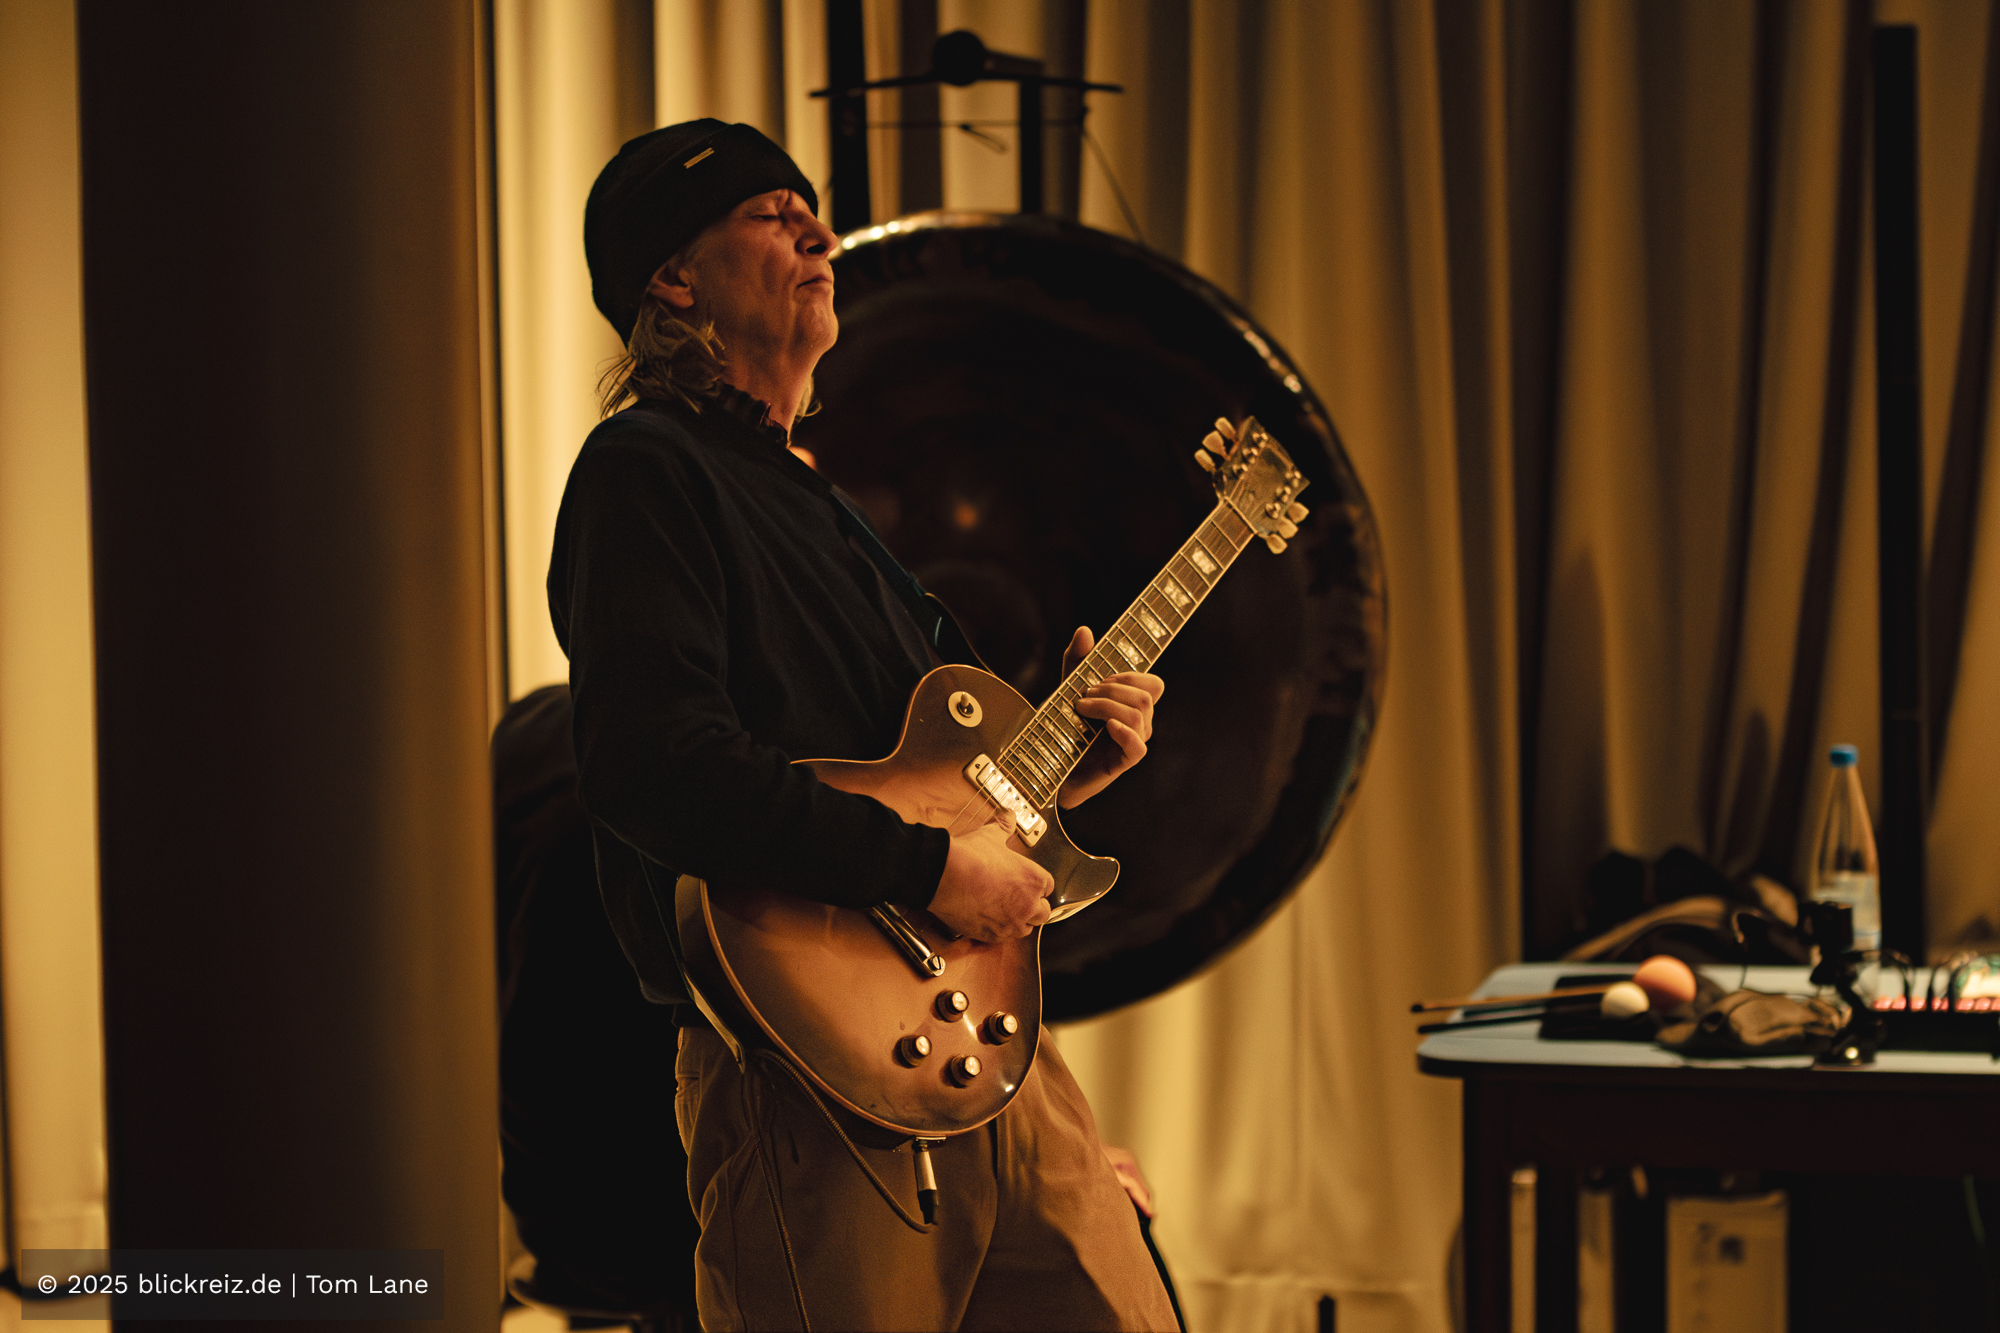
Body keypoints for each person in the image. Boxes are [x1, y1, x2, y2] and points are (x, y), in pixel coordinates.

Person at [550, 118, 1180, 1332]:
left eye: (810, 210)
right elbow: (653, 762)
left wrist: (1061, 782)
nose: (820, 233)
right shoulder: (645, 469)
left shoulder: (824, 512)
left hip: (991, 1053)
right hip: (804, 1073)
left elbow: (933, 791)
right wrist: (931, 867)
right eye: (770, 214)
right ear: (672, 280)